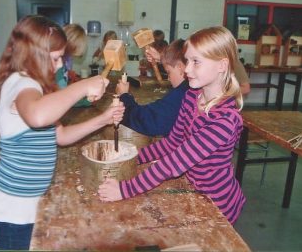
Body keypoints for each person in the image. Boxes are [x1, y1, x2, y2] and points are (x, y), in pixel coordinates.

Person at [0, 15, 125, 250]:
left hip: (26, 206)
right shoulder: (21, 84)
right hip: (10, 210)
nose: (60, 65)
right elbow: (37, 117)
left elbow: (60, 135)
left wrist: (103, 120)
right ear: (34, 55)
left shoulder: (37, 87)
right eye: (56, 58)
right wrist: (83, 85)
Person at [99, 26, 246, 225]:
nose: (186, 69)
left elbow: (174, 163)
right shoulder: (191, 97)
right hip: (193, 189)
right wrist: (131, 159)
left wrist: (125, 190)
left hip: (216, 205)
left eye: (196, 62)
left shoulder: (225, 121)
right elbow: (172, 143)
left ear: (222, 65)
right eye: (187, 61)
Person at [116, 39, 189, 137]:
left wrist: (124, 96)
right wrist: (162, 58)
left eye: (168, 72)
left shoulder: (182, 94)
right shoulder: (190, 86)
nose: (168, 78)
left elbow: (147, 120)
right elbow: (175, 65)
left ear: (180, 67)